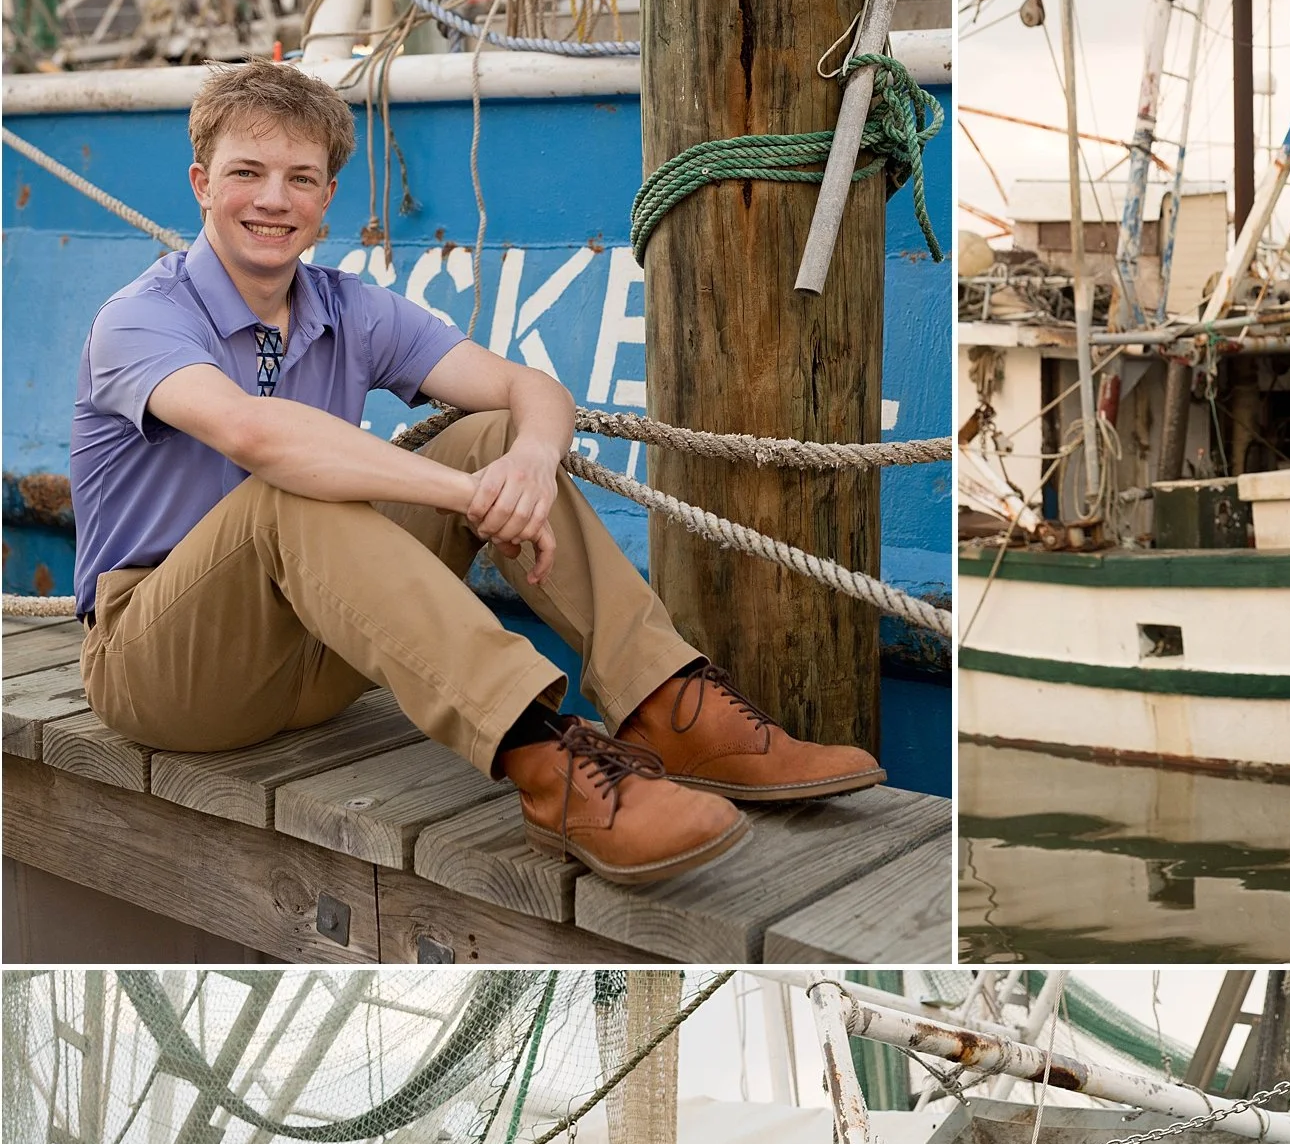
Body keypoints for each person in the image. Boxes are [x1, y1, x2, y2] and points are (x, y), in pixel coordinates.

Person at [69, 55, 883, 886]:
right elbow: (256, 434)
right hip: (162, 669)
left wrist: (526, 464)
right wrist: (465, 496)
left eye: (300, 179)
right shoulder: (141, 319)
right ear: (203, 182)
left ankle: (666, 704)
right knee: (290, 493)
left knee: (496, 431)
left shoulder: (348, 308)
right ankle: (548, 767)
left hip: (316, 661)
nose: (274, 199)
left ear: (325, 204)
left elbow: (529, 388)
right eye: (248, 173)